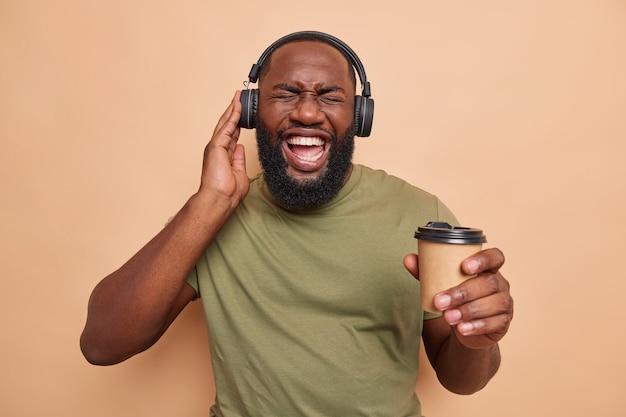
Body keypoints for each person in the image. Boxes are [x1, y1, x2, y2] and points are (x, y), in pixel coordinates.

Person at [80, 31, 513, 417]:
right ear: (250, 109)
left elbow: (462, 380)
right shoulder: (212, 216)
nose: (307, 113)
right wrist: (210, 202)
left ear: (360, 116)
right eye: (286, 93)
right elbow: (102, 344)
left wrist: (478, 339)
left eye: (330, 96)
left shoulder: (420, 215)